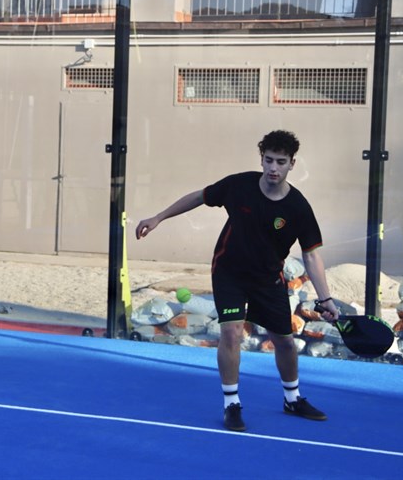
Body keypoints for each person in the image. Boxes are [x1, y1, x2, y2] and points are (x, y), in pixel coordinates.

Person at [135, 130, 339, 432]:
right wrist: (159, 217)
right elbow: (199, 197)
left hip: (268, 278)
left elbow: (311, 256)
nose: (273, 168)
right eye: (268, 160)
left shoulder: (298, 207)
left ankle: (292, 398)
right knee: (231, 334)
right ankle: (232, 403)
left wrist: (326, 299)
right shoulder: (239, 185)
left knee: (284, 340)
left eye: (280, 162)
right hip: (229, 272)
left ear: (292, 164)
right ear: (261, 159)